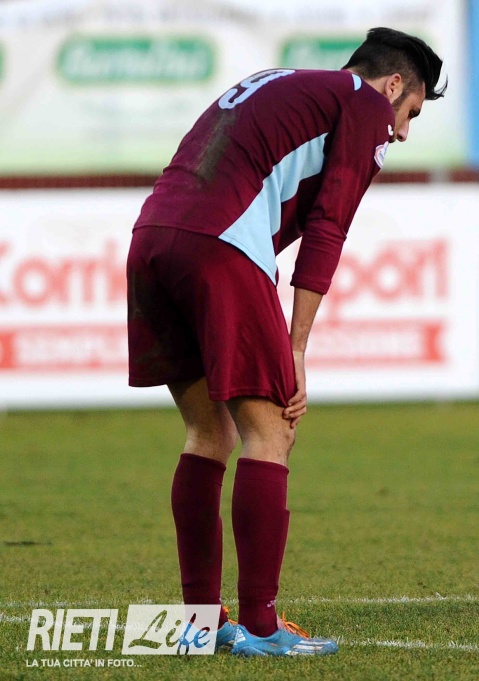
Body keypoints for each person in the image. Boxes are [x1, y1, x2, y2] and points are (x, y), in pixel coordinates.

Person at [125, 27, 445, 657]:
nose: (403, 133)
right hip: (220, 246)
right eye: (410, 113)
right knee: (272, 431)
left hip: (152, 240)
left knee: (208, 434)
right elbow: (328, 228)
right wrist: (295, 350)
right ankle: (262, 627)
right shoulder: (363, 103)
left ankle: (199, 623)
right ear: (393, 85)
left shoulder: (282, 84)